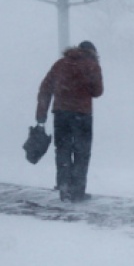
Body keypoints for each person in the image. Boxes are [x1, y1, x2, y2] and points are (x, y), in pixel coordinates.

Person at [36, 40, 104, 203]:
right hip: (82, 115)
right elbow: (97, 92)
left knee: (63, 150)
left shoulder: (60, 64)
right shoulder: (91, 65)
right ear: (92, 52)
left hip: (61, 114)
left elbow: (45, 88)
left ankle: (64, 186)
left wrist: (41, 115)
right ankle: (78, 192)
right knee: (82, 153)